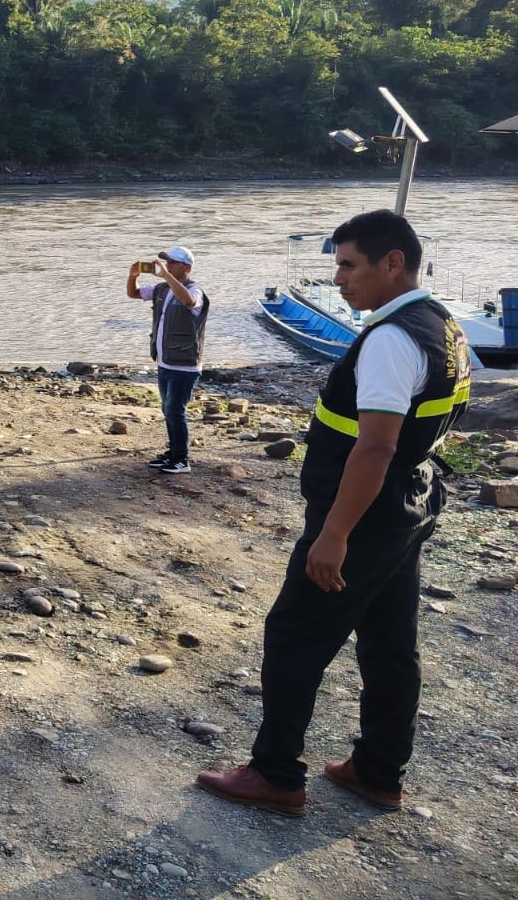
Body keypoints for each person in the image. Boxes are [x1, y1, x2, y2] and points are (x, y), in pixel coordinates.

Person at [198, 210, 473, 818]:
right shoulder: (444, 325)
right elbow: (432, 423)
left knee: (295, 635)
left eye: (349, 265)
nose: (341, 279)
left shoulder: (393, 339)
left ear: (392, 262)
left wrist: (335, 534)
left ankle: (274, 776)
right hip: (410, 502)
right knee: (389, 643)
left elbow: (374, 446)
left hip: (366, 516)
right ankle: (378, 770)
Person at [126, 245, 209, 474]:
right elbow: (133, 293)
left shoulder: (195, 291)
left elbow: (189, 302)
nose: (167, 266)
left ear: (187, 268)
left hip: (185, 365)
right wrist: (132, 277)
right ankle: (172, 453)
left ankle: (182, 459)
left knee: (175, 410)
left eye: (172, 263)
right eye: (166, 262)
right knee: (167, 409)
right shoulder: (162, 289)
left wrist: (167, 276)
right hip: (164, 362)